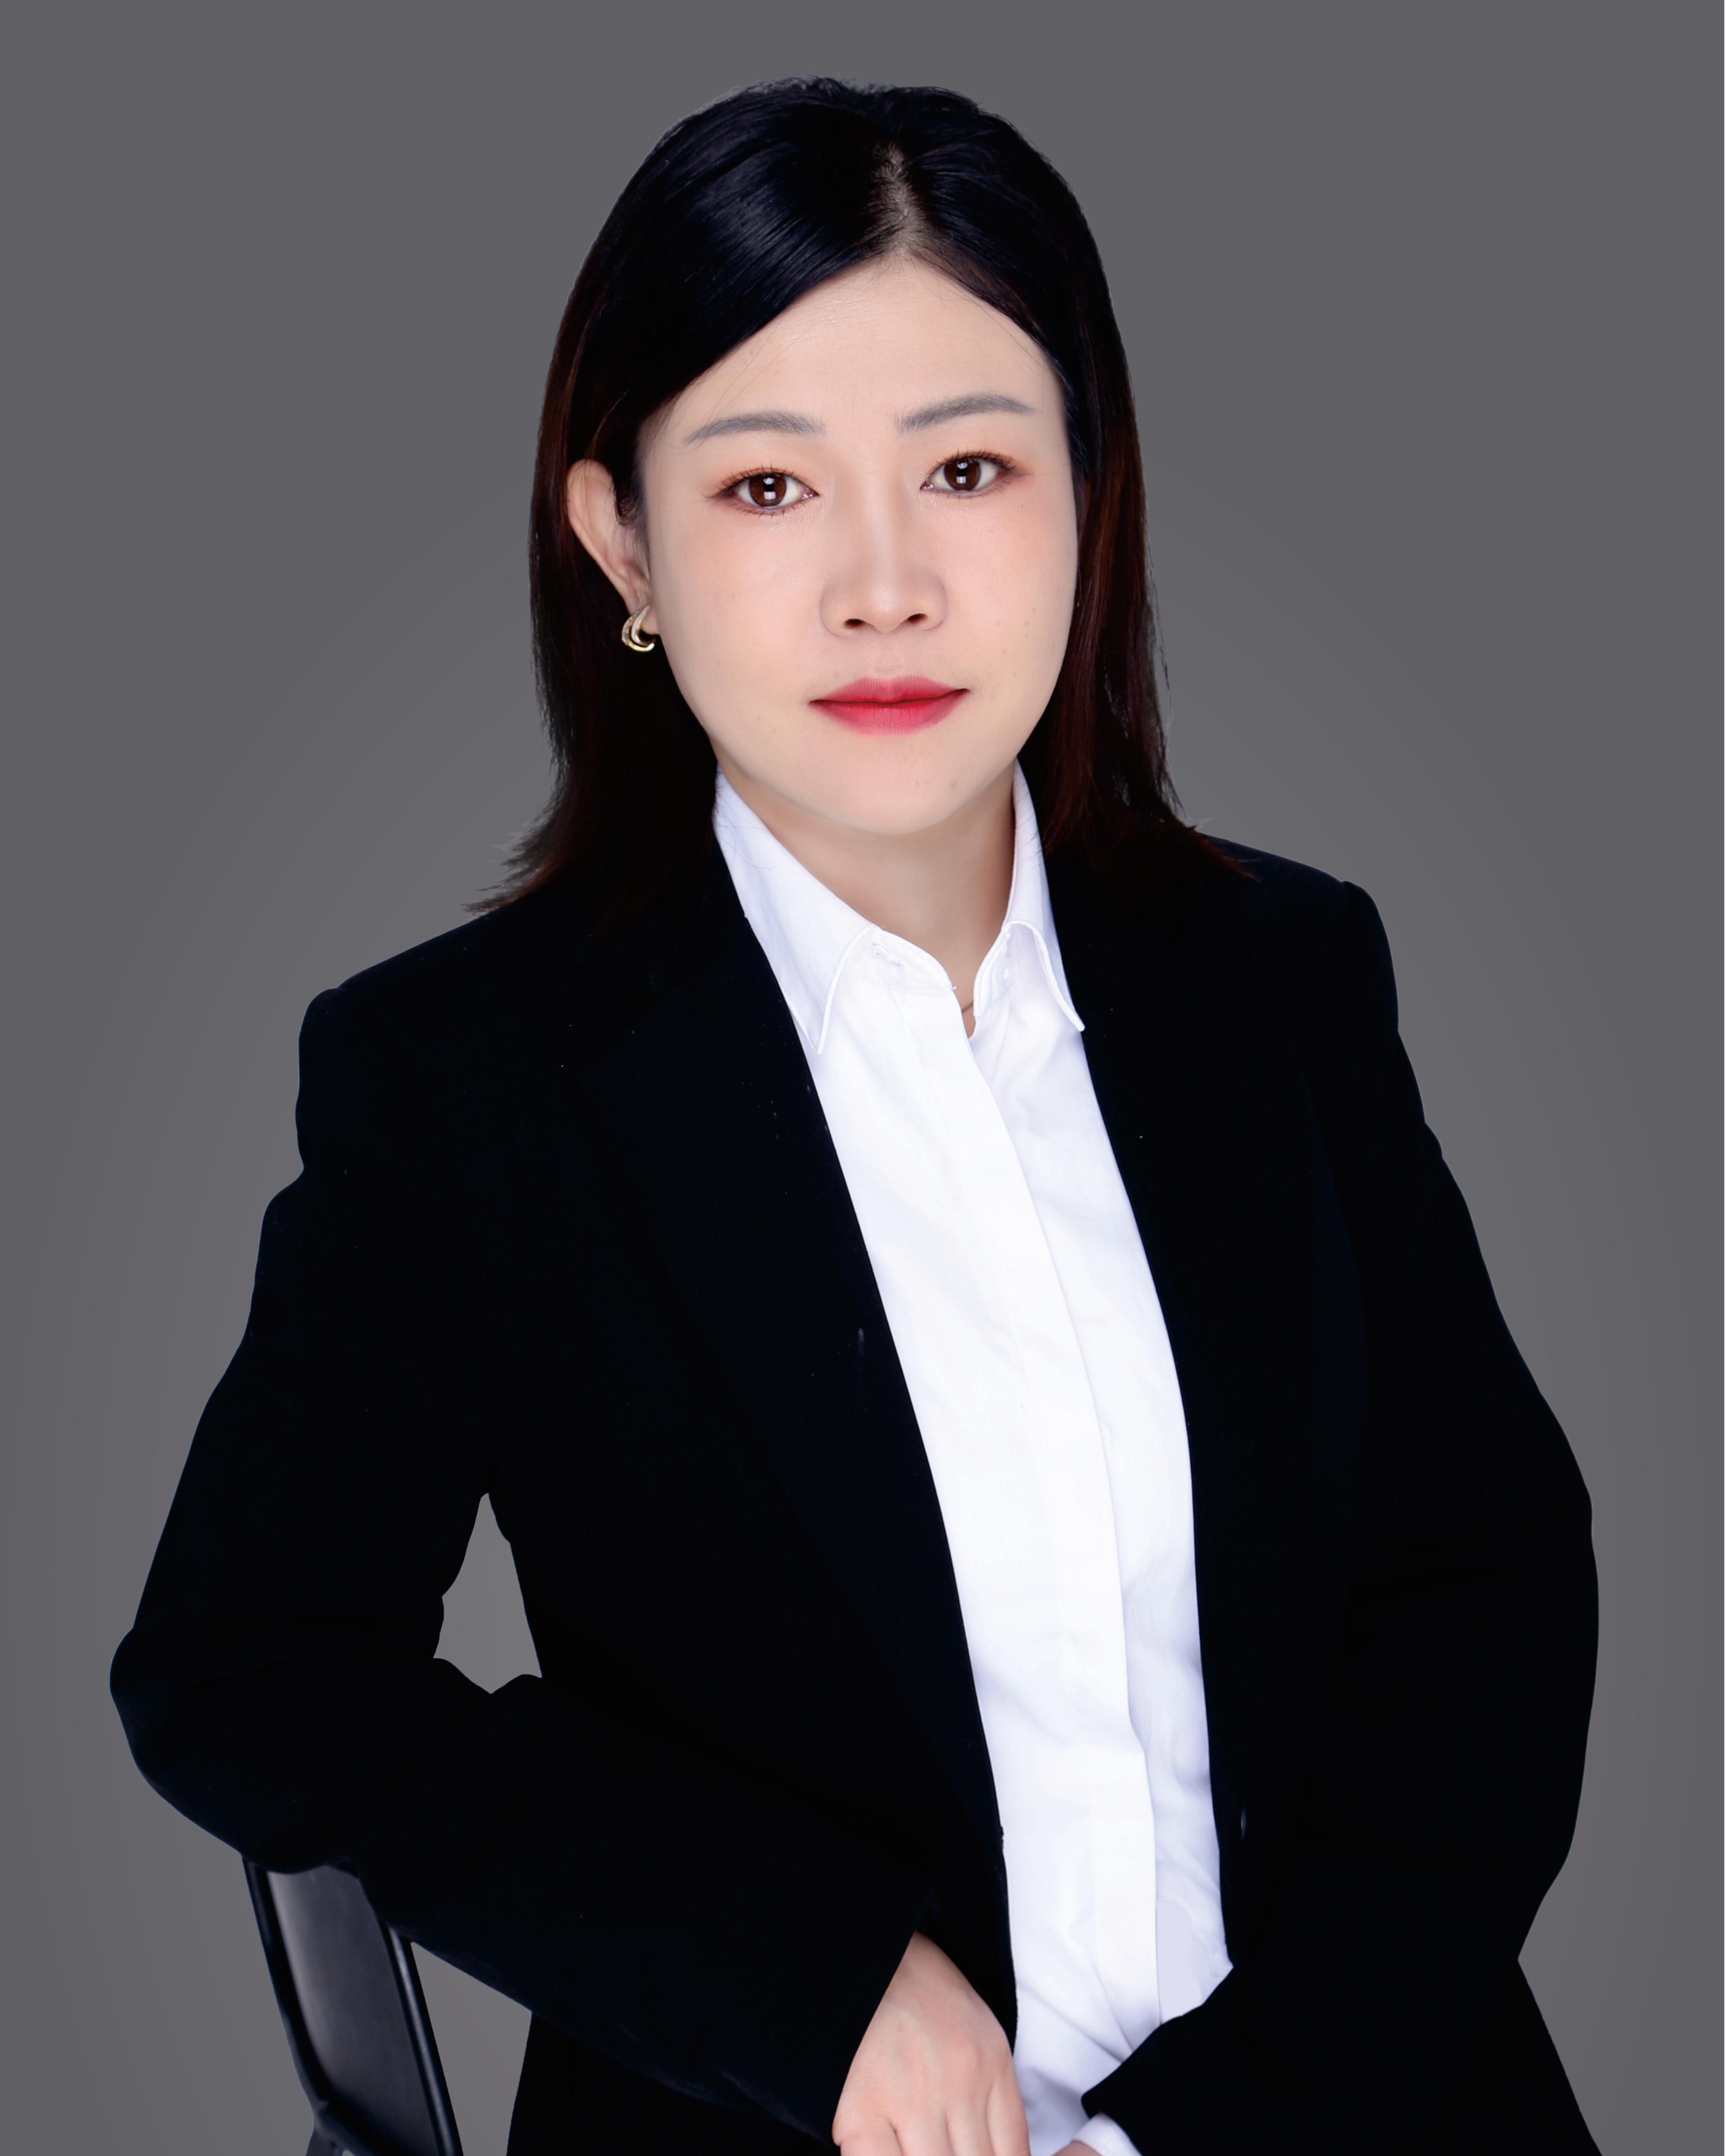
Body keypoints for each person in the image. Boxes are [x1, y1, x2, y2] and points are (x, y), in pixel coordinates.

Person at [110, 78, 1599, 2156]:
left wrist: (1253, 2106)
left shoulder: (1282, 980)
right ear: (621, 540)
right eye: (766, 487)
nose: (883, 586)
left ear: (1087, 495)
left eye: (967, 468)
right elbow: (247, 1665)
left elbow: (1483, 1585)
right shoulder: (464, 1081)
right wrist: (804, 1979)